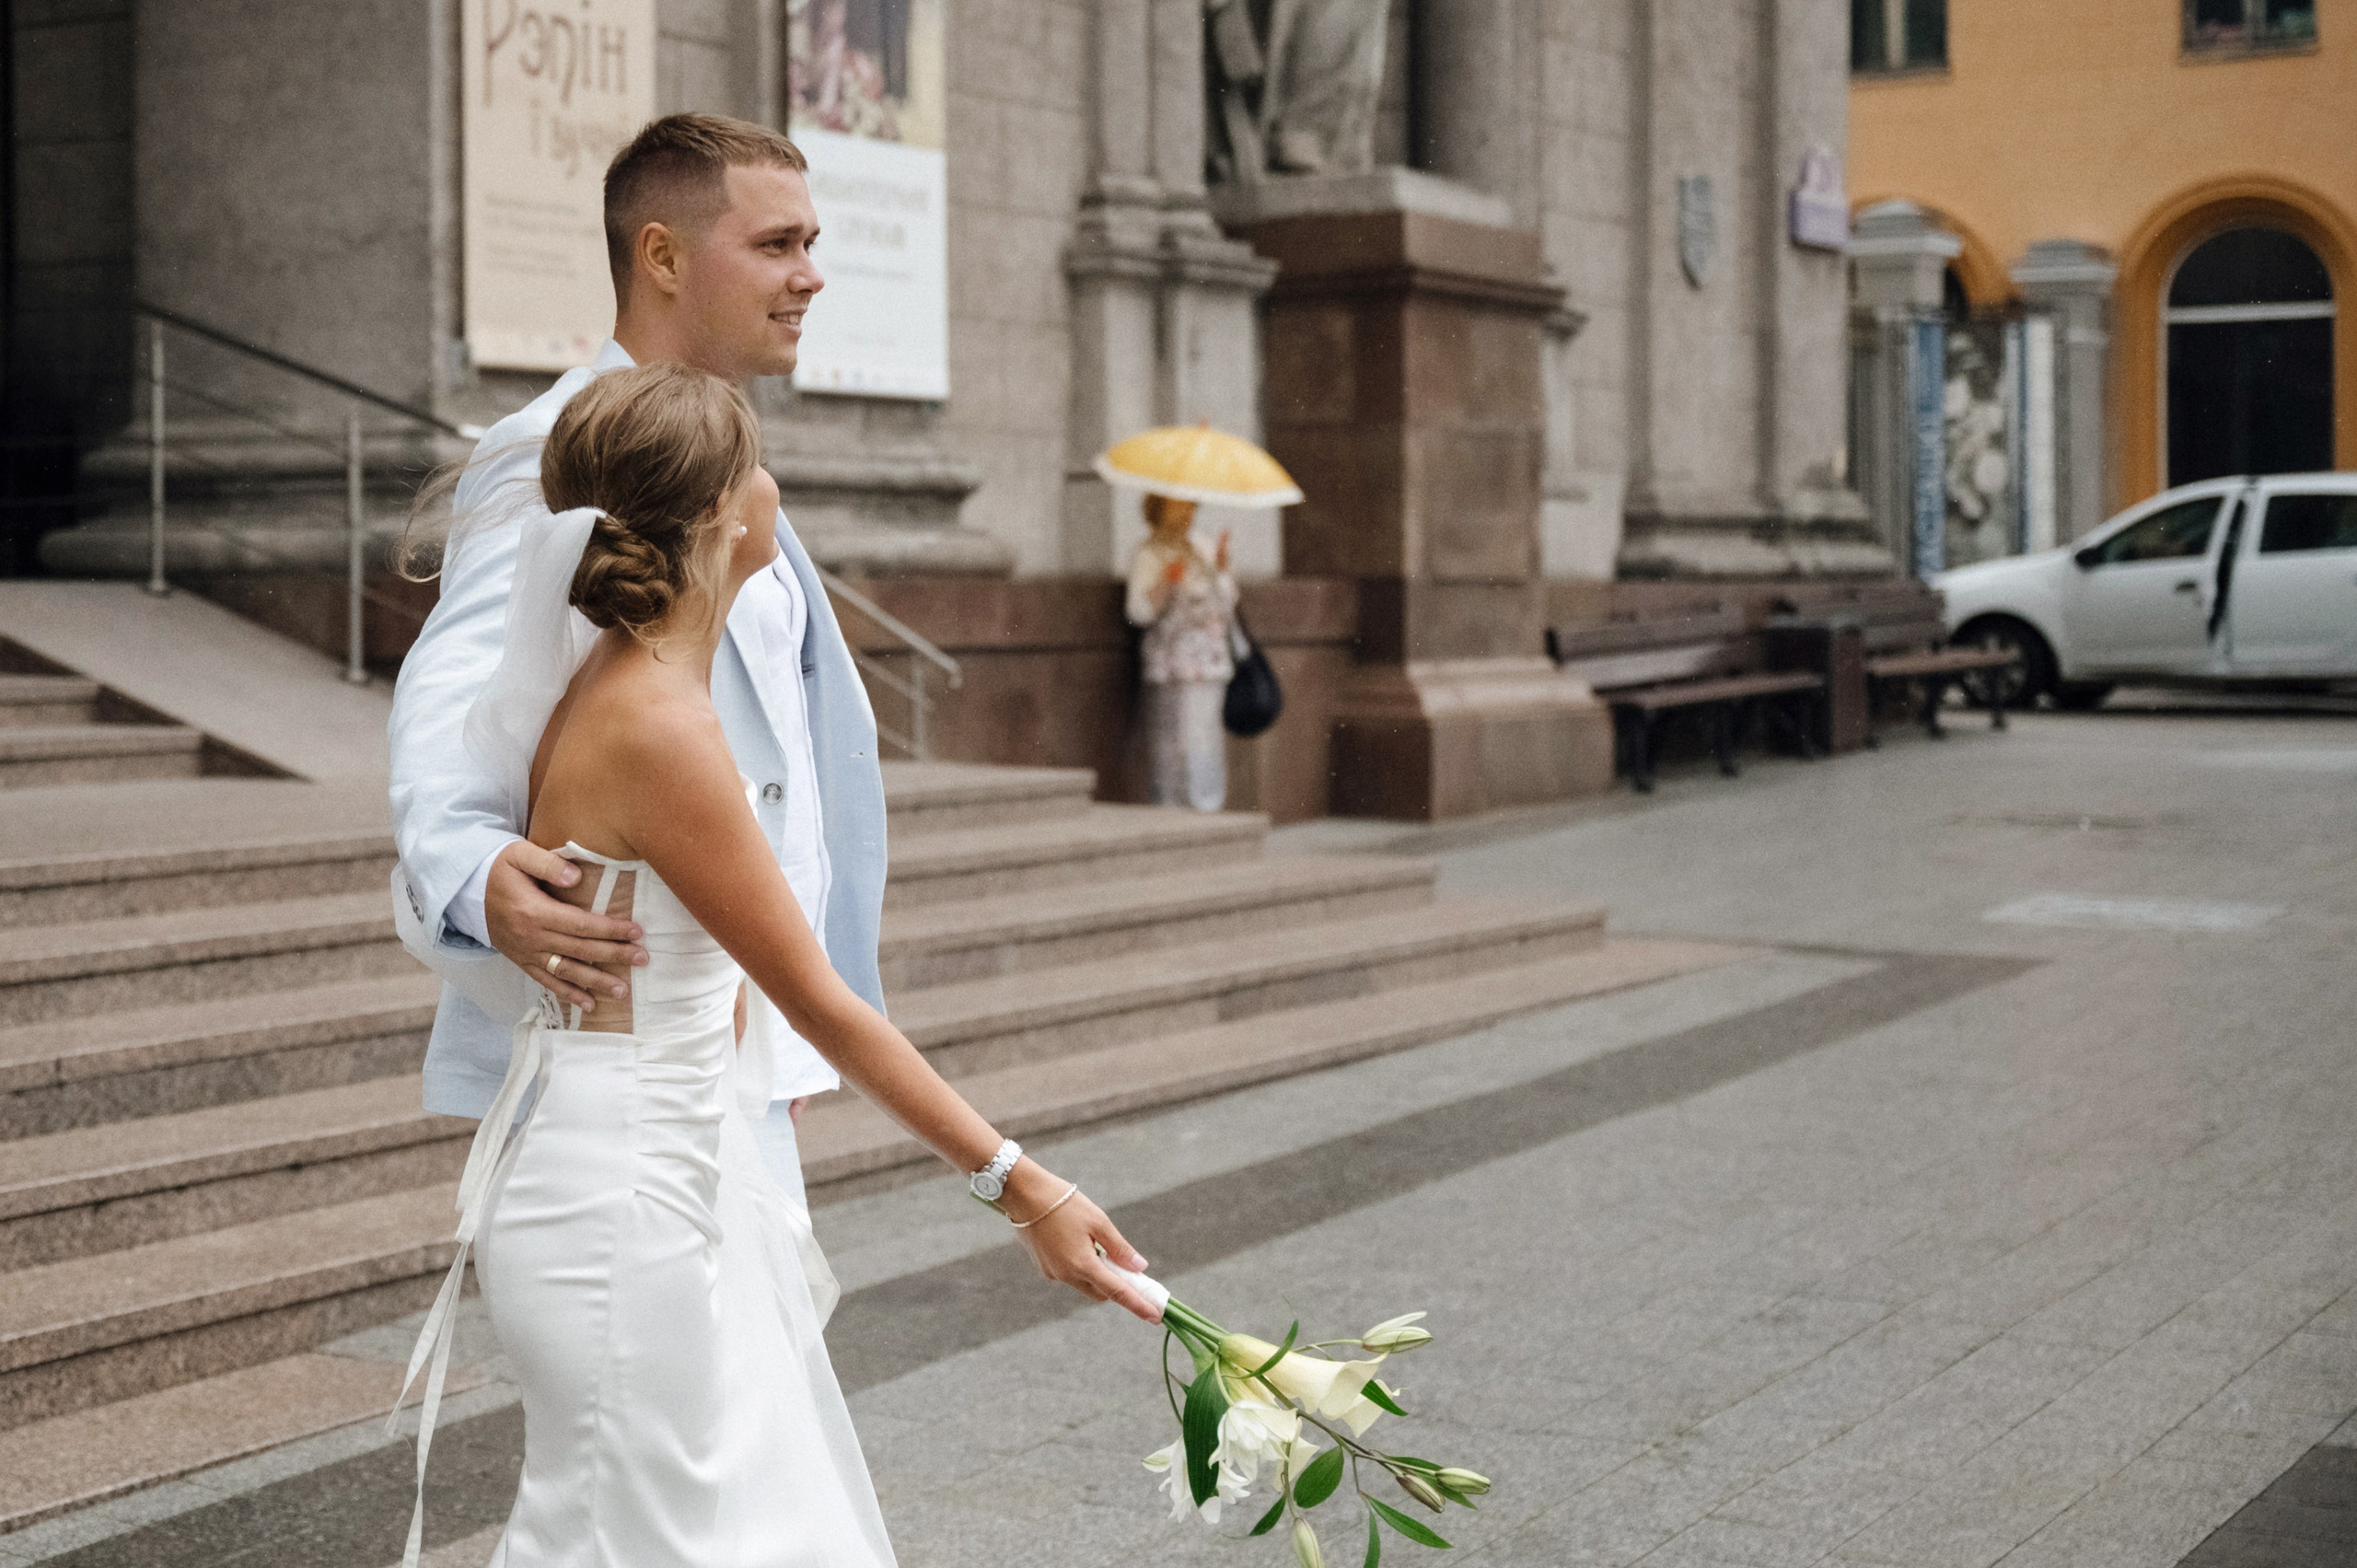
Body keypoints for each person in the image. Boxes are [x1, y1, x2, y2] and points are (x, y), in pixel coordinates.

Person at [386, 114, 1157, 1565]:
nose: (814, 275)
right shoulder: (553, 455)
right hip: (623, 1075)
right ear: (665, 254)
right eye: (781, 242)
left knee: (739, 1491)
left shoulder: (726, 468)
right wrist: (472, 877)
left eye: (818, 242)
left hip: (723, 1069)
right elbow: (449, 723)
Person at [1124, 494, 1237, 811]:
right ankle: (1171, 812)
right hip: (1171, 664)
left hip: (1209, 663)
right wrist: (1165, 581)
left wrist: (1223, 570)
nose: (1187, 512)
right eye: (1179, 505)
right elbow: (1138, 612)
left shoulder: (1203, 546)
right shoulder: (1149, 552)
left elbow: (1227, 608)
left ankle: (1208, 807)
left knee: (1206, 742)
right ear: (1160, 508)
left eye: (1191, 505)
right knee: (1172, 745)